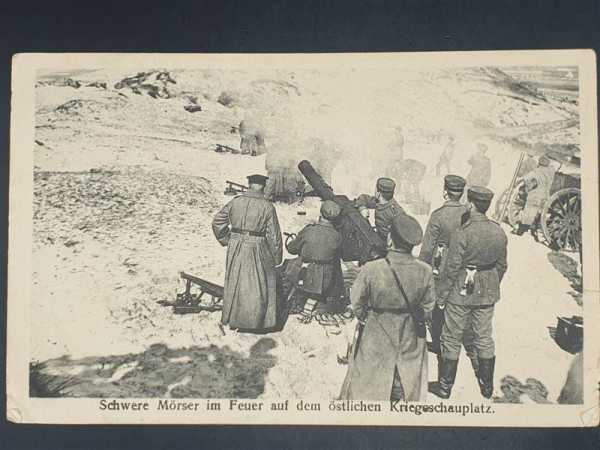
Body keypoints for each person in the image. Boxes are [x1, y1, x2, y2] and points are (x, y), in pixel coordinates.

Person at [340, 213, 434, 401]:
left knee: (369, 380)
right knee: (407, 378)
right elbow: (428, 307)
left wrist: (365, 316)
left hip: (377, 328)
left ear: (390, 239)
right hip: (409, 331)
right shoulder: (425, 270)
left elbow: (356, 301)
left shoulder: (372, 268)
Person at [429, 186, 508, 400]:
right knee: (483, 337)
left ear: (471, 205)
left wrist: (442, 296)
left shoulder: (462, 233)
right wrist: (489, 283)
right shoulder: (499, 231)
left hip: (461, 292)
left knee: (451, 337)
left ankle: (445, 387)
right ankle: (487, 386)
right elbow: (502, 266)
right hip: (487, 291)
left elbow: (451, 268)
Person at [418, 175, 479, 377]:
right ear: (461, 193)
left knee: (438, 302)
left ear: (445, 190)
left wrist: (421, 269)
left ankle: (437, 342)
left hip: (440, 263)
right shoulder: (469, 213)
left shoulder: (439, 215)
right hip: (463, 266)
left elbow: (427, 248)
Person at [211, 174, 283, 332]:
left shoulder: (236, 202)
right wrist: (276, 257)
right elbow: (274, 235)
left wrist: (227, 239)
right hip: (257, 246)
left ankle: (233, 318)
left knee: (235, 281)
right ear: (263, 187)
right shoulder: (267, 206)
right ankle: (253, 322)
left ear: (249, 185)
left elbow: (217, 222)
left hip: (235, 244)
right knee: (257, 284)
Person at [285, 200, 344, 323]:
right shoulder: (337, 236)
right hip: (324, 280)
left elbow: (292, 249)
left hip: (304, 275)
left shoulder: (308, 230)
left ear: (321, 214)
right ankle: (313, 302)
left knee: (288, 264)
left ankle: (298, 299)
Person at [354, 177, 406, 245]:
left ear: (378, 194)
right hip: (378, 237)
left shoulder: (396, 212)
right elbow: (364, 198)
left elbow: (405, 234)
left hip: (388, 246)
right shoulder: (379, 201)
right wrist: (362, 208)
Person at [512, 155, 555, 236]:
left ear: (539, 163)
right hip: (545, 196)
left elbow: (525, 178)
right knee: (539, 212)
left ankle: (520, 230)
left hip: (535, 195)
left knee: (528, 212)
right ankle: (534, 228)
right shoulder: (550, 172)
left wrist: (516, 183)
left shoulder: (537, 171)